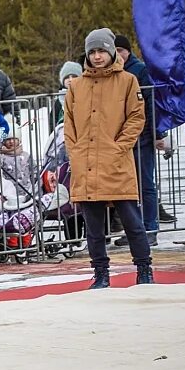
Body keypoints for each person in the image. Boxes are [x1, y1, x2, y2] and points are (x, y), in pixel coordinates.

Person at [65, 28, 153, 288]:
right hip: (86, 163)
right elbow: (68, 123)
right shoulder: (77, 86)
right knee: (93, 227)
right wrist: (76, 151)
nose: (97, 56)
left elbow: (136, 117)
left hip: (116, 162)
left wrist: (120, 147)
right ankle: (101, 273)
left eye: (101, 50)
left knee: (131, 221)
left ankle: (144, 269)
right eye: (92, 51)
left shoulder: (127, 81)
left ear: (111, 51)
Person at [114, 34, 169, 245]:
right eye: (115, 51)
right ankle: (134, 229)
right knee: (127, 186)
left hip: (142, 136)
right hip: (120, 138)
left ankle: (150, 227)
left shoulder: (140, 70)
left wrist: (157, 133)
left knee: (145, 184)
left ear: (128, 51)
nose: (118, 54)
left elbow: (151, 102)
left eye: (121, 50)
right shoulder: (113, 73)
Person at [0, 123, 37, 192]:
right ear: (3, 141)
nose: (11, 141)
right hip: (9, 193)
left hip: (28, 191)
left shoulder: (26, 155)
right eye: (8, 139)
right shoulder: (1, 157)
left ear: (19, 140)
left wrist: (34, 186)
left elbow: (34, 171)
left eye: (14, 138)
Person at [53, 61, 82, 126]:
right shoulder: (59, 100)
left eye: (74, 76)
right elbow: (53, 121)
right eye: (67, 77)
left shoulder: (85, 96)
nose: (70, 80)